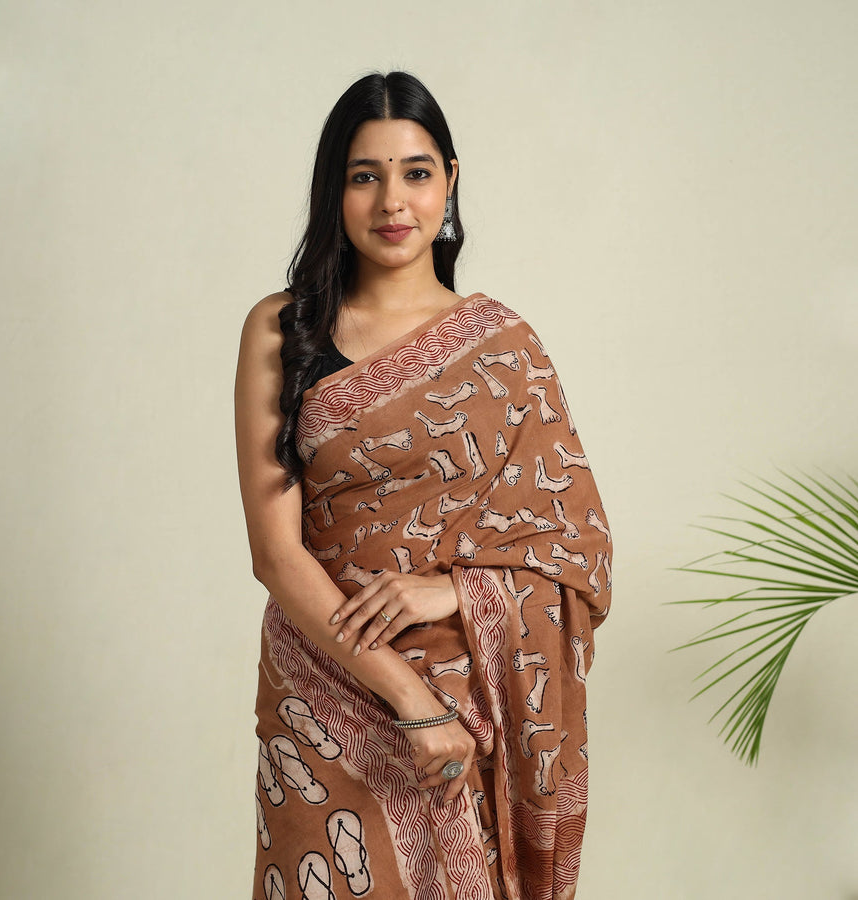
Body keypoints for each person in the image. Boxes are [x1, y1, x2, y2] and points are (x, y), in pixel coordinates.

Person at [235, 70, 612, 900]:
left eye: (416, 172)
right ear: (334, 190)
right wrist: (410, 699)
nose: (392, 202)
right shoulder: (282, 328)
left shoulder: (504, 348)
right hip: (321, 692)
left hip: (470, 697)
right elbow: (275, 552)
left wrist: (460, 591)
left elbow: (576, 545)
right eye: (363, 176)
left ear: (450, 180)